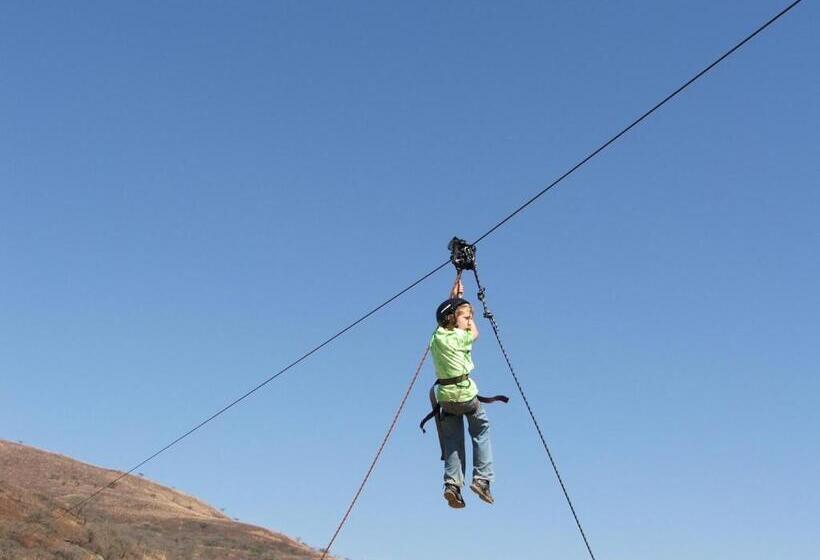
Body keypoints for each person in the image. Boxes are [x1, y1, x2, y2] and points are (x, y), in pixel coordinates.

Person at [429, 273, 494, 509]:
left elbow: (445, 319)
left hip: (445, 398)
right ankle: (482, 479)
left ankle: (452, 484)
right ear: (454, 320)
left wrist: (454, 297)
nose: (469, 321)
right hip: (465, 395)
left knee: (453, 440)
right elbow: (474, 333)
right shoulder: (461, 337)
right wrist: (462, 308)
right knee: (481, 427)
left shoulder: (437, 337)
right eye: (466, 317)